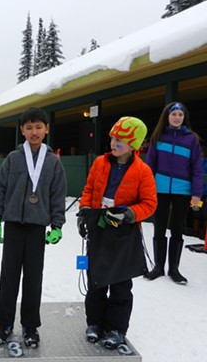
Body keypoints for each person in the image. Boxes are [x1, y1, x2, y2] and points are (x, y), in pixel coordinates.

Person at [77, 116, 156, 350]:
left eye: (120, 140)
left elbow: (150, 203)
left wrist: (129, 214)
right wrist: (84, 212)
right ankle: (94, 323)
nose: (113, 143)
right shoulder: (100, 163)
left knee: (121, 284)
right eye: (112, 138)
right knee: (96, 280)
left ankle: (116, 328)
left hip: (124, 233)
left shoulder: (143, 171)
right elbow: (89, 189)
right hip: (99, 227)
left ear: (133, 145)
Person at [0, 108, 67, 348]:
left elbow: (57, 195)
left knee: (33, 278)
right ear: (22, 130)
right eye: (29, 127)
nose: (34, 132)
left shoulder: (53, 162)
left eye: (39, 127)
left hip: (36, 229)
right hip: (13, 225)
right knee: (9, 276)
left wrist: (57, 224)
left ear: (46, 129)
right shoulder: (13, 158)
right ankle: (4, 323)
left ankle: (30, 325)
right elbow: (0, 189)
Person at [144, 102, 203, 285]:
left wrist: (196, 194)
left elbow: (197, 169)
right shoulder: (158, 137)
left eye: (180, 114)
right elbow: (149, 166)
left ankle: (174, 269)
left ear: (184, 118)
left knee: (177, 229)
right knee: (159, 227)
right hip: (159, 189)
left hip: (182, 191)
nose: (177, 117)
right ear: (167, 116)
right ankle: (158, 267)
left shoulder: (192, 139)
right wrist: (145, 188)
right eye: (174, 114)